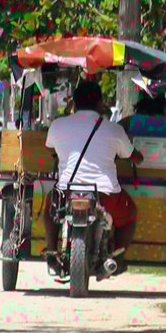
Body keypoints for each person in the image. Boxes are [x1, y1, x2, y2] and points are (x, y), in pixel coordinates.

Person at [43, 77, 139, 262]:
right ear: (100, 103)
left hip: (67, 191)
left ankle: (52, 249)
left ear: (74, 103)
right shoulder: (114, 130)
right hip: (106, 195)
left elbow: (49, 147)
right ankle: (117, 256)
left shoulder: (58, 126)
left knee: (50, 207)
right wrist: (137, 156)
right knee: (130, 212)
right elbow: (131, 155)